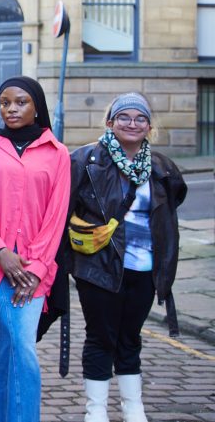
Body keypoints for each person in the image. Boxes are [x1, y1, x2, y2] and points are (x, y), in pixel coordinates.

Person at [0, 75, 71, 422]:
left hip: (33, 277)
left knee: (22, 353)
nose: (11, 108)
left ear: (36, 106)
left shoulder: (57, 153)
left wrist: (35, 269)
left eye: (20, 102)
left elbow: (57, 215)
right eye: (5, 102)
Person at [68, 93, 186, 422]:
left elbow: (171, 208)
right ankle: (97, 410)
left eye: (140, 118)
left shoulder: (162, 167)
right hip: (99, 267)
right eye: (124, 117)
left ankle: (133, 407)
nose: (132, 124)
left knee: (130, 337)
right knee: (101, 336)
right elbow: (64, 209)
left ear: (149, 126)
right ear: (110, 122)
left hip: (145, 268)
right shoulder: (86, 160)